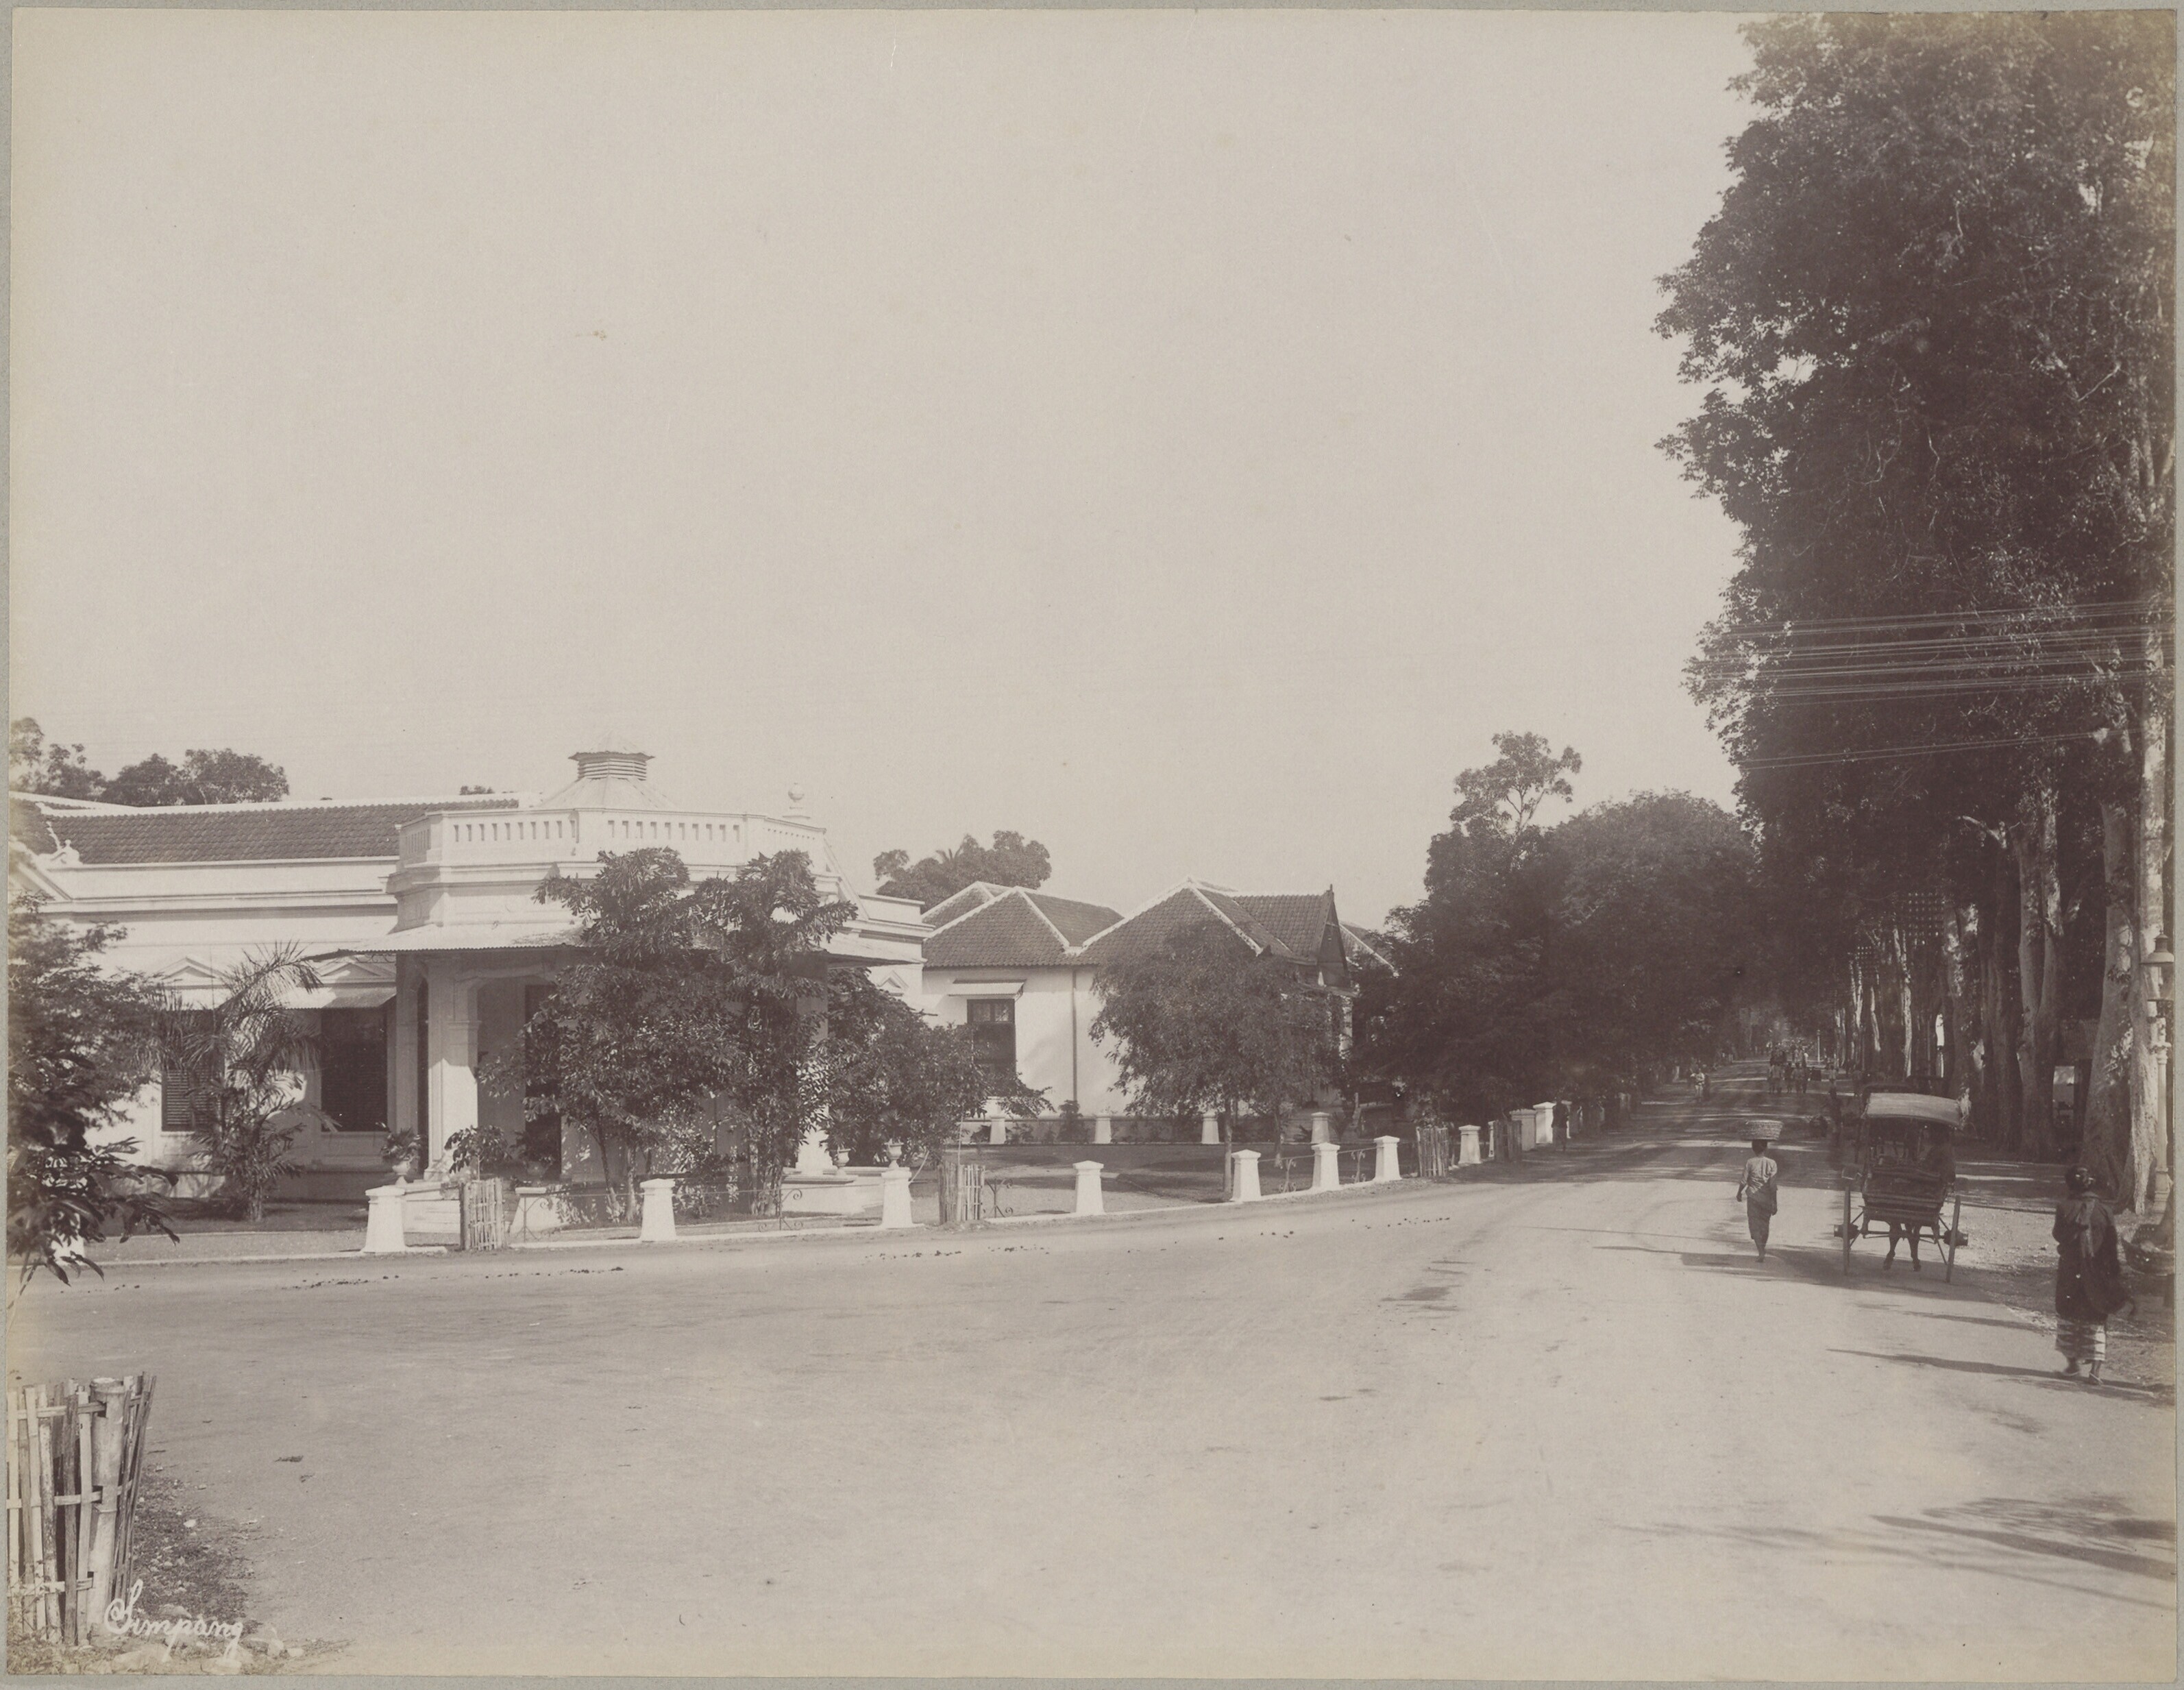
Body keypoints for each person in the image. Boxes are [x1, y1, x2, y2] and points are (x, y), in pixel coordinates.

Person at [2054, 1166, 2128, 1384]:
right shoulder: (2106, 1211)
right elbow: (2112, 1246)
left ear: (2070, 1185)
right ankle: (2096, 1371)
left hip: (2071, 1272)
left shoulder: (2064, 1207)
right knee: (2097, 1316)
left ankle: (2072, 1366)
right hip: (2098, 1272)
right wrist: (2114, 1274)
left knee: (2069, 1315)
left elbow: (2058, 1235)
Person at [1736, 1134, 1780, 1262]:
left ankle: (1761, 1251)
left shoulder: (1750, 1162)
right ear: (1765, 1148)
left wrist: (1739, 1193)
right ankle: (1762, 1248)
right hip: (1767, 1199)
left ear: (1753, 1149)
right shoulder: (1772, 1163)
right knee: (1765, 1225)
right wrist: (1775, 1203)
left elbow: (1744, 1181)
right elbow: (1773, 1186)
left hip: (1753, 1199)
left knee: (1754, 1225)